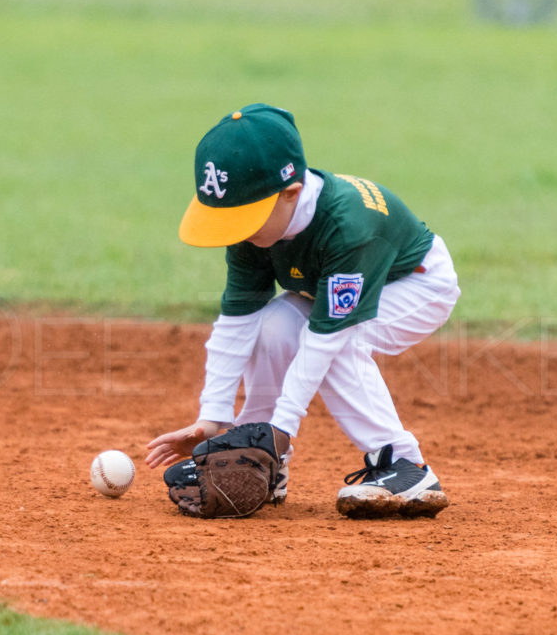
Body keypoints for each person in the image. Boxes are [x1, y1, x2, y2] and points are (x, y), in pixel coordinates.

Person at [145, 103, 461, 518]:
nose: (238, 231)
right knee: (274, 324)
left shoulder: (349, 226)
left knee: (342, 341)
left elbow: (324, 338)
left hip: (416, 285)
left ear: (290, 193)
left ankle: (404, 465)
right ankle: (261, 462)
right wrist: (214, 418)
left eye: (245, 218)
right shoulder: (257, 228)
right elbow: (236, 322)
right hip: (332, 290)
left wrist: (282, 428)